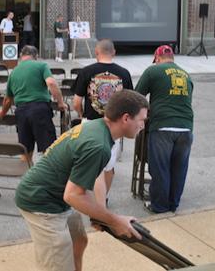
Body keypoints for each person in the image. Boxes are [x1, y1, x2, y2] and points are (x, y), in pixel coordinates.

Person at [15, 90, 148, 271]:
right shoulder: (98, 144)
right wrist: (115, 220)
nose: (143, 125)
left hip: (57, 195)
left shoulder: (99, 129)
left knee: (78, 240)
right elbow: (73, 196)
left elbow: (96, 175)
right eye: (142, 120)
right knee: (57, 262)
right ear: (126, 118)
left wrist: (101, 215)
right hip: (41, 203)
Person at [72, 39, 133, 203]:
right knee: (108, 166)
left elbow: (76, 102)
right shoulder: (124, 73)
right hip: (114, 125)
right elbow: (129, 103)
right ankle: (103, 198)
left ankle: (90, 197)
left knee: (90, 162)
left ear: (96, 52)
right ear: (114, 53)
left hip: (90, 123)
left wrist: (81, 114)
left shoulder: (86, 71)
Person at [135, 45, 194, 214]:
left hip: (162, 126)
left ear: (158, 58)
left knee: (160, 168)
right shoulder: (186, 74)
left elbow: (137, 96)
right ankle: (173, 204)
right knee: (179, 168)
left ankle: (159, 207)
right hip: (186, 127)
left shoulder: (153, 71)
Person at [0, 45, 67, 163]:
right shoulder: (41, 65)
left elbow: (8, 99)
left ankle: (28, 178)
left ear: (21, 56)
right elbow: (51, 83)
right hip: (40, 110)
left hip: (21, 112)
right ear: (36, 56)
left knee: (25, 151)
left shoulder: (14, 72)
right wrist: (60, 103)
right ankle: (48, 179)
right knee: (48, 150)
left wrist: (2, 112)